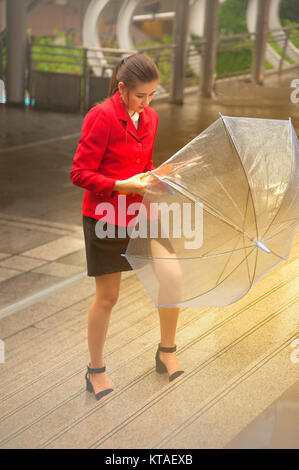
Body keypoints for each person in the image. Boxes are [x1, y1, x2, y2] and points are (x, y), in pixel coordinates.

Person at [70, 53, 184, 401]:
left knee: (174, 278)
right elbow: (79, 174)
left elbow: (145, 166)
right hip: (105, 215)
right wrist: (124, 186)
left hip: (142, 213)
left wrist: (160, 180)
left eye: (152, 95)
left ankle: (166, 351)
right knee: (108, 297)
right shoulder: (100, 117)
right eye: (140, 96)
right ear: (121, 88)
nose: (147, 103)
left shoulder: (150, 118)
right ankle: (95, 370)